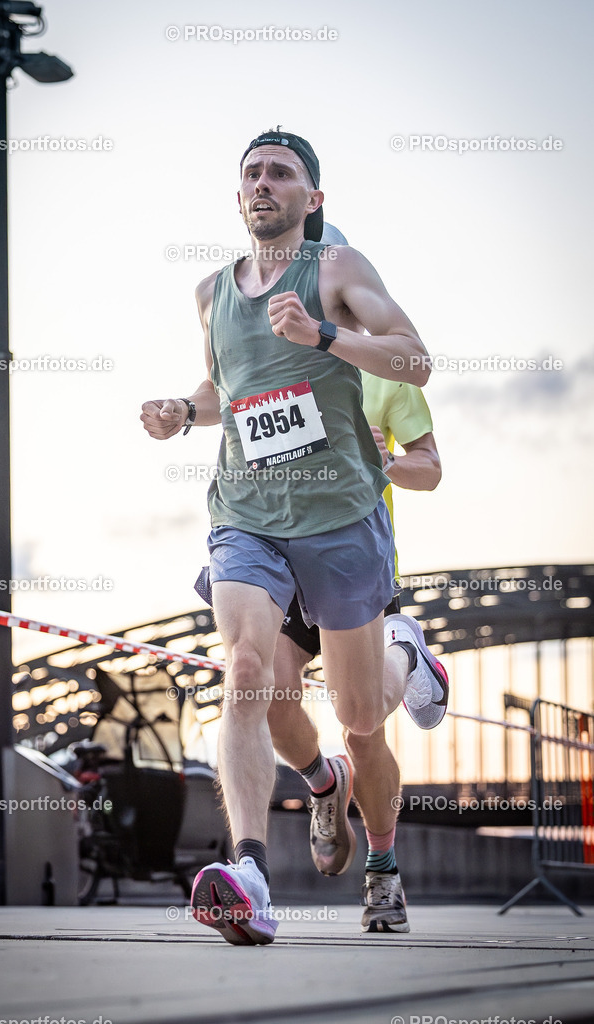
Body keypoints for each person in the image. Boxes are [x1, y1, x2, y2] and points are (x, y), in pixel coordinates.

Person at [141, 130, 448, 946]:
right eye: (252, 172)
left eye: (281, 173)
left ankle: (404, 661)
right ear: (237, 195)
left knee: (359, 717)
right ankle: (248, 871)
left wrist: (324, 337)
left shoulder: (338, 271)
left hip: (340, 524)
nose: (263, 183)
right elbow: (228, 387)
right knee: (246, 672)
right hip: (246, 516)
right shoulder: (210, 293)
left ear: (312, 199)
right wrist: (183, 412)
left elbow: (415, 361)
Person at [268, 225, 442, 930]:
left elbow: (430, 468)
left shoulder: (383, 372)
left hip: (355, 564)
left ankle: (382, 868)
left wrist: (384, 463)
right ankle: (322, 783)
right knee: (267, 696)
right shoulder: (271, 363)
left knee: (361, 727)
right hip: (282, 559)